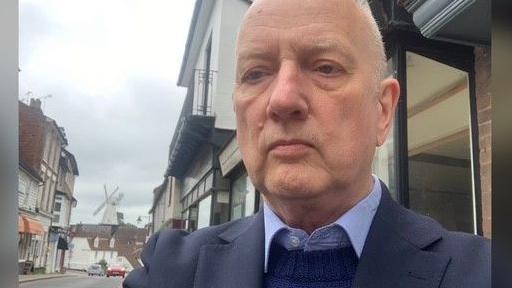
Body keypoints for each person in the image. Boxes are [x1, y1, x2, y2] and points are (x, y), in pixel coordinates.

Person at [124, 0, 490, 287]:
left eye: (325, 67)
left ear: (382, 111)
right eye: (256, 73)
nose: (282, 99)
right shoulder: (169, 270)